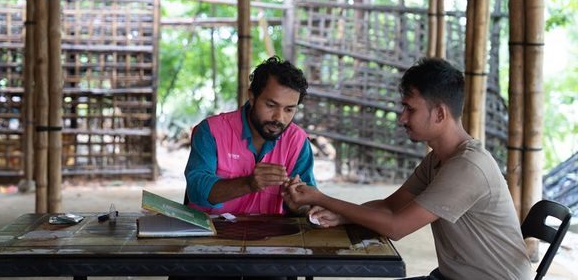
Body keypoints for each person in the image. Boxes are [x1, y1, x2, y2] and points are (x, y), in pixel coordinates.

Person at [284, 57, 532, 280]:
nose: (402, 118)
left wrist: (321, 198)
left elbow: (396, 226)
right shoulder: (438, 159)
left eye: (410, 109)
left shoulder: (467, 168)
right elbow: (391, 206)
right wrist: (343, 215)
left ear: (439, 114)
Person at [184, 55, 316, 216]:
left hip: (269, 238)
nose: (279, 118)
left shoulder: (298, 142)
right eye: (271, 105)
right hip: (211, 236)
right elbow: (196, 191)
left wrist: (298, 206)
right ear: (252, 97)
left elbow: (308, 206)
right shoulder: (211, 131)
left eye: (289, 109)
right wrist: (248, 184)